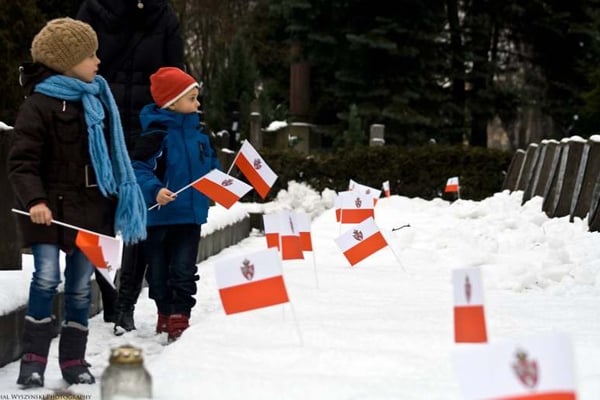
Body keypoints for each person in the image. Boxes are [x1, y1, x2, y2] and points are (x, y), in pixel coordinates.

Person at [7, 18, 147, 387]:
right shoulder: (38, 106)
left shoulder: (98, 100)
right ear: (66, 62)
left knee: (81, 286)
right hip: (49, 214)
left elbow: (113, 156)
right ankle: (33, 361)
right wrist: (35, 199)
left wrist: (118, 195)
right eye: (90, 55)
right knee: (46, 279)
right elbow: (22, 162)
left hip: (91, 210)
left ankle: (73, 360)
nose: (98, 61)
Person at [76, 0, 184, 331]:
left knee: (138, 214)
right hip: (98, 126)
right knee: (102, 215)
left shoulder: (162, 16)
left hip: (142, 130)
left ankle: (122, 304)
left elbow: (174, 78)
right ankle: (113, 302)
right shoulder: (94, 11)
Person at [132, 67, 220, 341]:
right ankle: (164, 310)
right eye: (192, 98)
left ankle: (180, 315)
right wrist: (155, 190)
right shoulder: (155, 135)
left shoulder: (201, 135)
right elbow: (138, 169)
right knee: (158, 273)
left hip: (190, 218)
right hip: (159, 217)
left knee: (184, 269)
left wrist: (217, 186)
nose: (198, 104)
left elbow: (211, 167)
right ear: (171, 102)